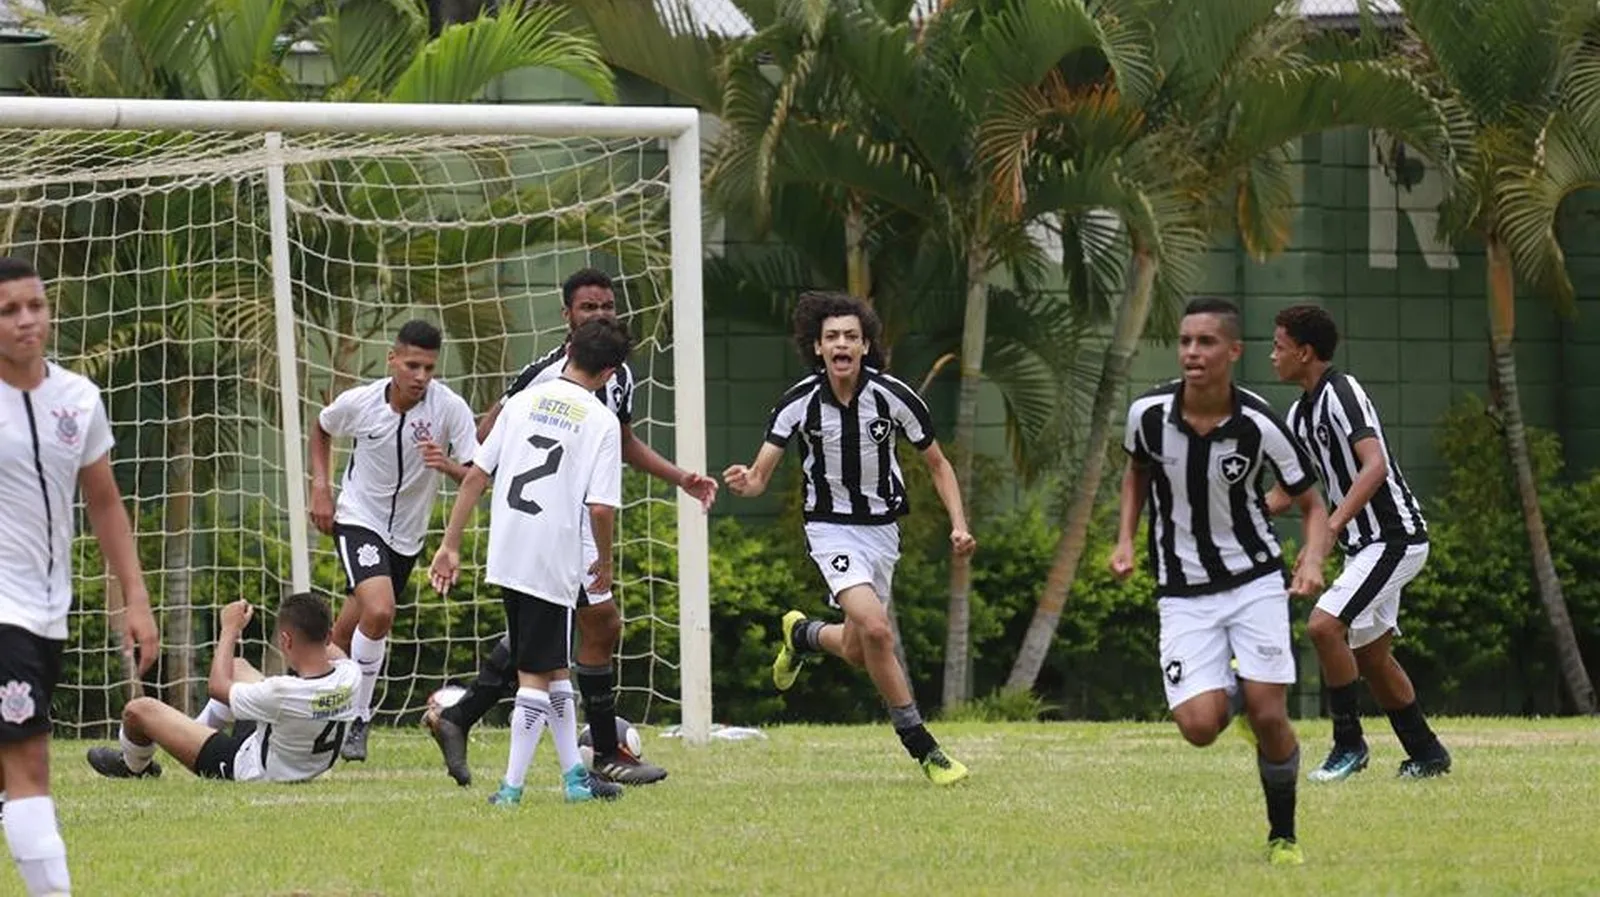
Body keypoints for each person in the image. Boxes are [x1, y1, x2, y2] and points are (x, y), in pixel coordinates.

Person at [425, 268, 717, 788]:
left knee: (555, 636)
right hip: (554, 524)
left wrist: (680, 478)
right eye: (589, 307)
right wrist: (465, 473)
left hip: (572, 519)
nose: (601, 314)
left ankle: (466, 718)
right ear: (567, 316)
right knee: (585, 631)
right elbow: (488, 432)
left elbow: (623, 443)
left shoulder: (616, 371)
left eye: (608, 305)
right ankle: (592, 757)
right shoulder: (542, 376)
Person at [1110, 296, 1333, 866]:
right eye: (1185, 341)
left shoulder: (1259, 423)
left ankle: (1283, 834)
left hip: (1254, 580)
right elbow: (1135, 473)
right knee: (1199, 727)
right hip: (1181, 591)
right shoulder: (1148, 416)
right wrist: (1125, 539)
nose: (1192, 352)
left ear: (1233, 351)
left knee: (1269, 713)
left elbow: (1312, 503)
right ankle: (1234, 692)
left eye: (1206, 342)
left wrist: (1310, 560)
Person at [722, 291, 974, 785]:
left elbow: (939, 465)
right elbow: (759, 475)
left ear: (865, 346)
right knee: (879, 630)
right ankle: (923, 748)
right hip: (829, 529)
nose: (842, 344)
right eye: (832, 336)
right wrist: (745, 482)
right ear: (817, 347)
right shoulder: (798, 404)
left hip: (882, 533)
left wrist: (959, 524)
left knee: (862, 648)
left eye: (851, 337)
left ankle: (803, 635)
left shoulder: (894, 397)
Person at [0, 256, 159, 897]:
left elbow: (104, 501)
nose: (25, 320)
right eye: (9, 310)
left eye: (34, 305)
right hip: (2, 611)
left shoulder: (79, 399)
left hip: (47, 612)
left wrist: (136, 600)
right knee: (30, 762)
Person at [430, 317, 634, 805]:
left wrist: (450, 543)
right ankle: (511, 787)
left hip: (509, 547)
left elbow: (478, 474)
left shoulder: (521, 403)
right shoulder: (600, 419)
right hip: (553, 553)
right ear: (610, 372)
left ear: (568, 351)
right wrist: (604, 561)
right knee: (535, 677)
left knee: (554, 668)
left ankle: (574, 780)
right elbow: (601, 507)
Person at [1268, 303, 1450, 781]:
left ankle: (1349, 745)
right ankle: (1427, 754)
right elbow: (1291, 490)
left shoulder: (1342, 392)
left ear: (1305, 353)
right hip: (1365, 547)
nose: (1273, 356)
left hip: (1394, 537)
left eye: (1279, 346)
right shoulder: (1300, 412)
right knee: (1371, 657)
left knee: (1324, 627)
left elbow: (1375, 466)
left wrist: (1330, 527)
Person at [308, 319, 478, 763]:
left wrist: (447, 466)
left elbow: (478, 475)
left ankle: (297, 703)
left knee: (341, 639)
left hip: (408, 536)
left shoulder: (449, 409)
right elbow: (322, 427)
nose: (421, 376)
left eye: (429, 368)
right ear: (393, 360)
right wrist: (321, 487)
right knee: (381, 610)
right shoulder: (362, 403)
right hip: (359, 518)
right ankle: (358, 719)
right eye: (412, 365)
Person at [85, 593, 360, 784]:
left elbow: (217, 687)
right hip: (292, 748)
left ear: (286, 640)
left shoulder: (280, 692)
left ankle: (135, 767)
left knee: (138, 710)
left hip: (250, 769)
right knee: (237, 667)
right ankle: (191, 733)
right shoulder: (350, 674)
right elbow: (330, 651)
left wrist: (229, 629)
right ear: (329, 636)